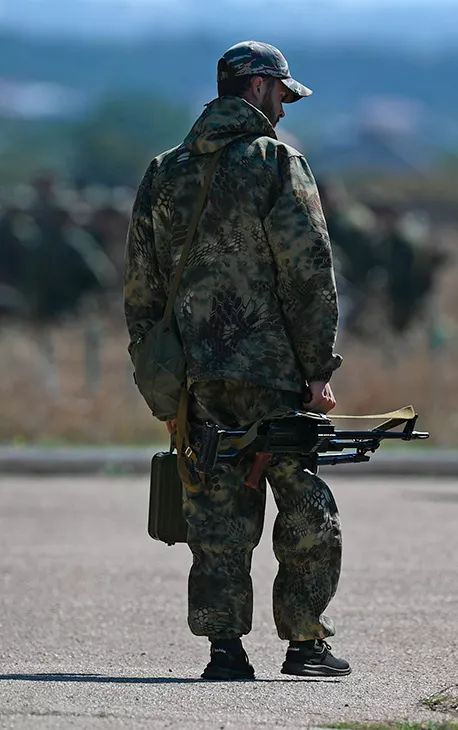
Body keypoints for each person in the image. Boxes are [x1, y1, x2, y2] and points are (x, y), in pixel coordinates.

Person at [123, 40, 350, 681]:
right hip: (273, 374)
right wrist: (318, 370)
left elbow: (141, 289)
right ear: (256, 87)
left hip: (195, 379)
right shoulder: (277, 163)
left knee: (215, 511)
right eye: (281, 94)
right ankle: (304, 644)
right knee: (305, 507)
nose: (284, 108)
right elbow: (308, 272)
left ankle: (224, 651)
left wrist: (161, 384)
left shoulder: (164, 170)